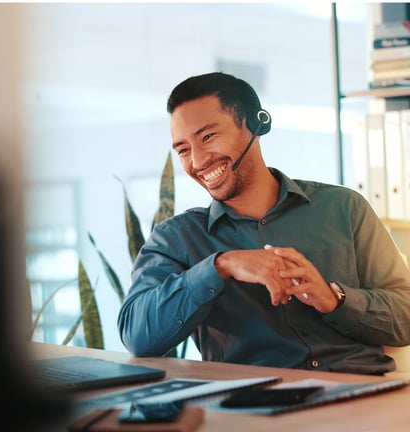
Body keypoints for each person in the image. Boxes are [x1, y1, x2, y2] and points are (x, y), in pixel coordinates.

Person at [118, 71, 410, 374]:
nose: (198, 159)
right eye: (183, 149)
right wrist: (221, 266)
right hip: (258, 407)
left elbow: (406, 315)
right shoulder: (176, 238)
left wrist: (334, 298)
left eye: (207, 136)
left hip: (363, 398)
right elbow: (137, 336)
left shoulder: (345, 208)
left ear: (256, 124)